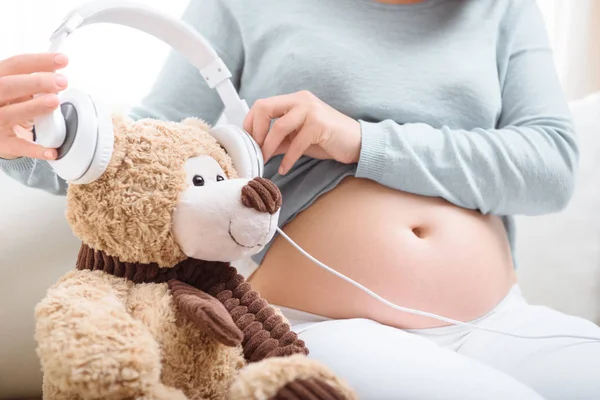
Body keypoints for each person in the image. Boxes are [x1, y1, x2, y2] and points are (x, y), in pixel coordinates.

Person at [1, 0, 599, 398]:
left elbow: (550, 164)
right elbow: (148, 154)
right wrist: (25, 142)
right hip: (310, 330)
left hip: (503, 321)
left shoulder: (505, 10)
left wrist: (358, 140)